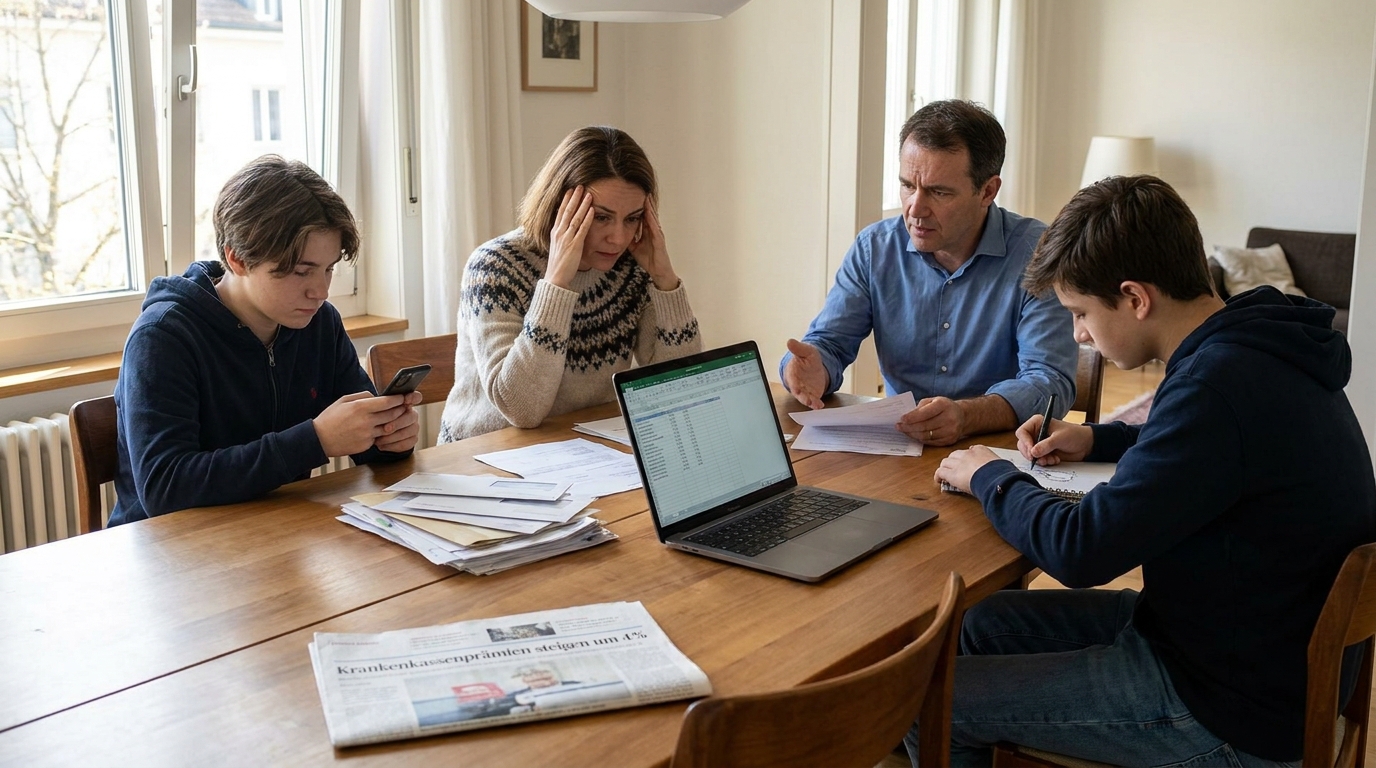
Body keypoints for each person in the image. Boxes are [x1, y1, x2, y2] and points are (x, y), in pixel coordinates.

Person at [917, 175, 1376, 765]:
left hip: (1230, 710)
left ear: (1135, 298)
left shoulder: (1216, 387)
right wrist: (1097, 437)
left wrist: (990, 475)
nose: (1079, 334)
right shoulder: (1260, 345)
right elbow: (1216, 454)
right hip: (1246, 652)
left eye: (1081, 313)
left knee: (931, 698)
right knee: (982, 624)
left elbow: (1081, 551)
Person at [108, 155, 420, 526]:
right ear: (237, 259)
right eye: (301, 272)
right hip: (169, 556)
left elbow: (370, 451)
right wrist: (315, 440)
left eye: (329, 269)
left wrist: (390, 438)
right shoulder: (163, 336)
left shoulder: (319, 323)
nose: (320, 291)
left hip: (274, 533)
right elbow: (165, 487)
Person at [780, 100, 1075, 446]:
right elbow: (828, 343)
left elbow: (1048, 381)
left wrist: (967, 416)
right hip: (901, 448)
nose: (915, 209)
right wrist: (812, 368)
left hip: (1002, 453)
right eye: (907, 186)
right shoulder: (875, 248)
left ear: (988, 191)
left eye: (938, 192)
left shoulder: (1039, 254)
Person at [438, 126, 701, 442]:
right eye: (601, 217)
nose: (618, 237)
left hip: (583, 451)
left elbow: (678, 389)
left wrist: (665, 280)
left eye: (632, 218)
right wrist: (557, 284)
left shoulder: (632, 268)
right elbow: (522, 409)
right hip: (482, 457)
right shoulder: (494, 266)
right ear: (559, 207)